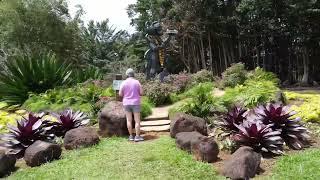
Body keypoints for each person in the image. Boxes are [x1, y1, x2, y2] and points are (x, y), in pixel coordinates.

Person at [119, 68, 144, 142]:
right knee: (137, 121)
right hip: (136, 103)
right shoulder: (137, 82)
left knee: (129, 120)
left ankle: (130, 136)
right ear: (133, 74)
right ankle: (137, 136)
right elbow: (141, 93)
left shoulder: (123, 83)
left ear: (127, 75)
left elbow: (120, 94)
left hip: (126, 103)